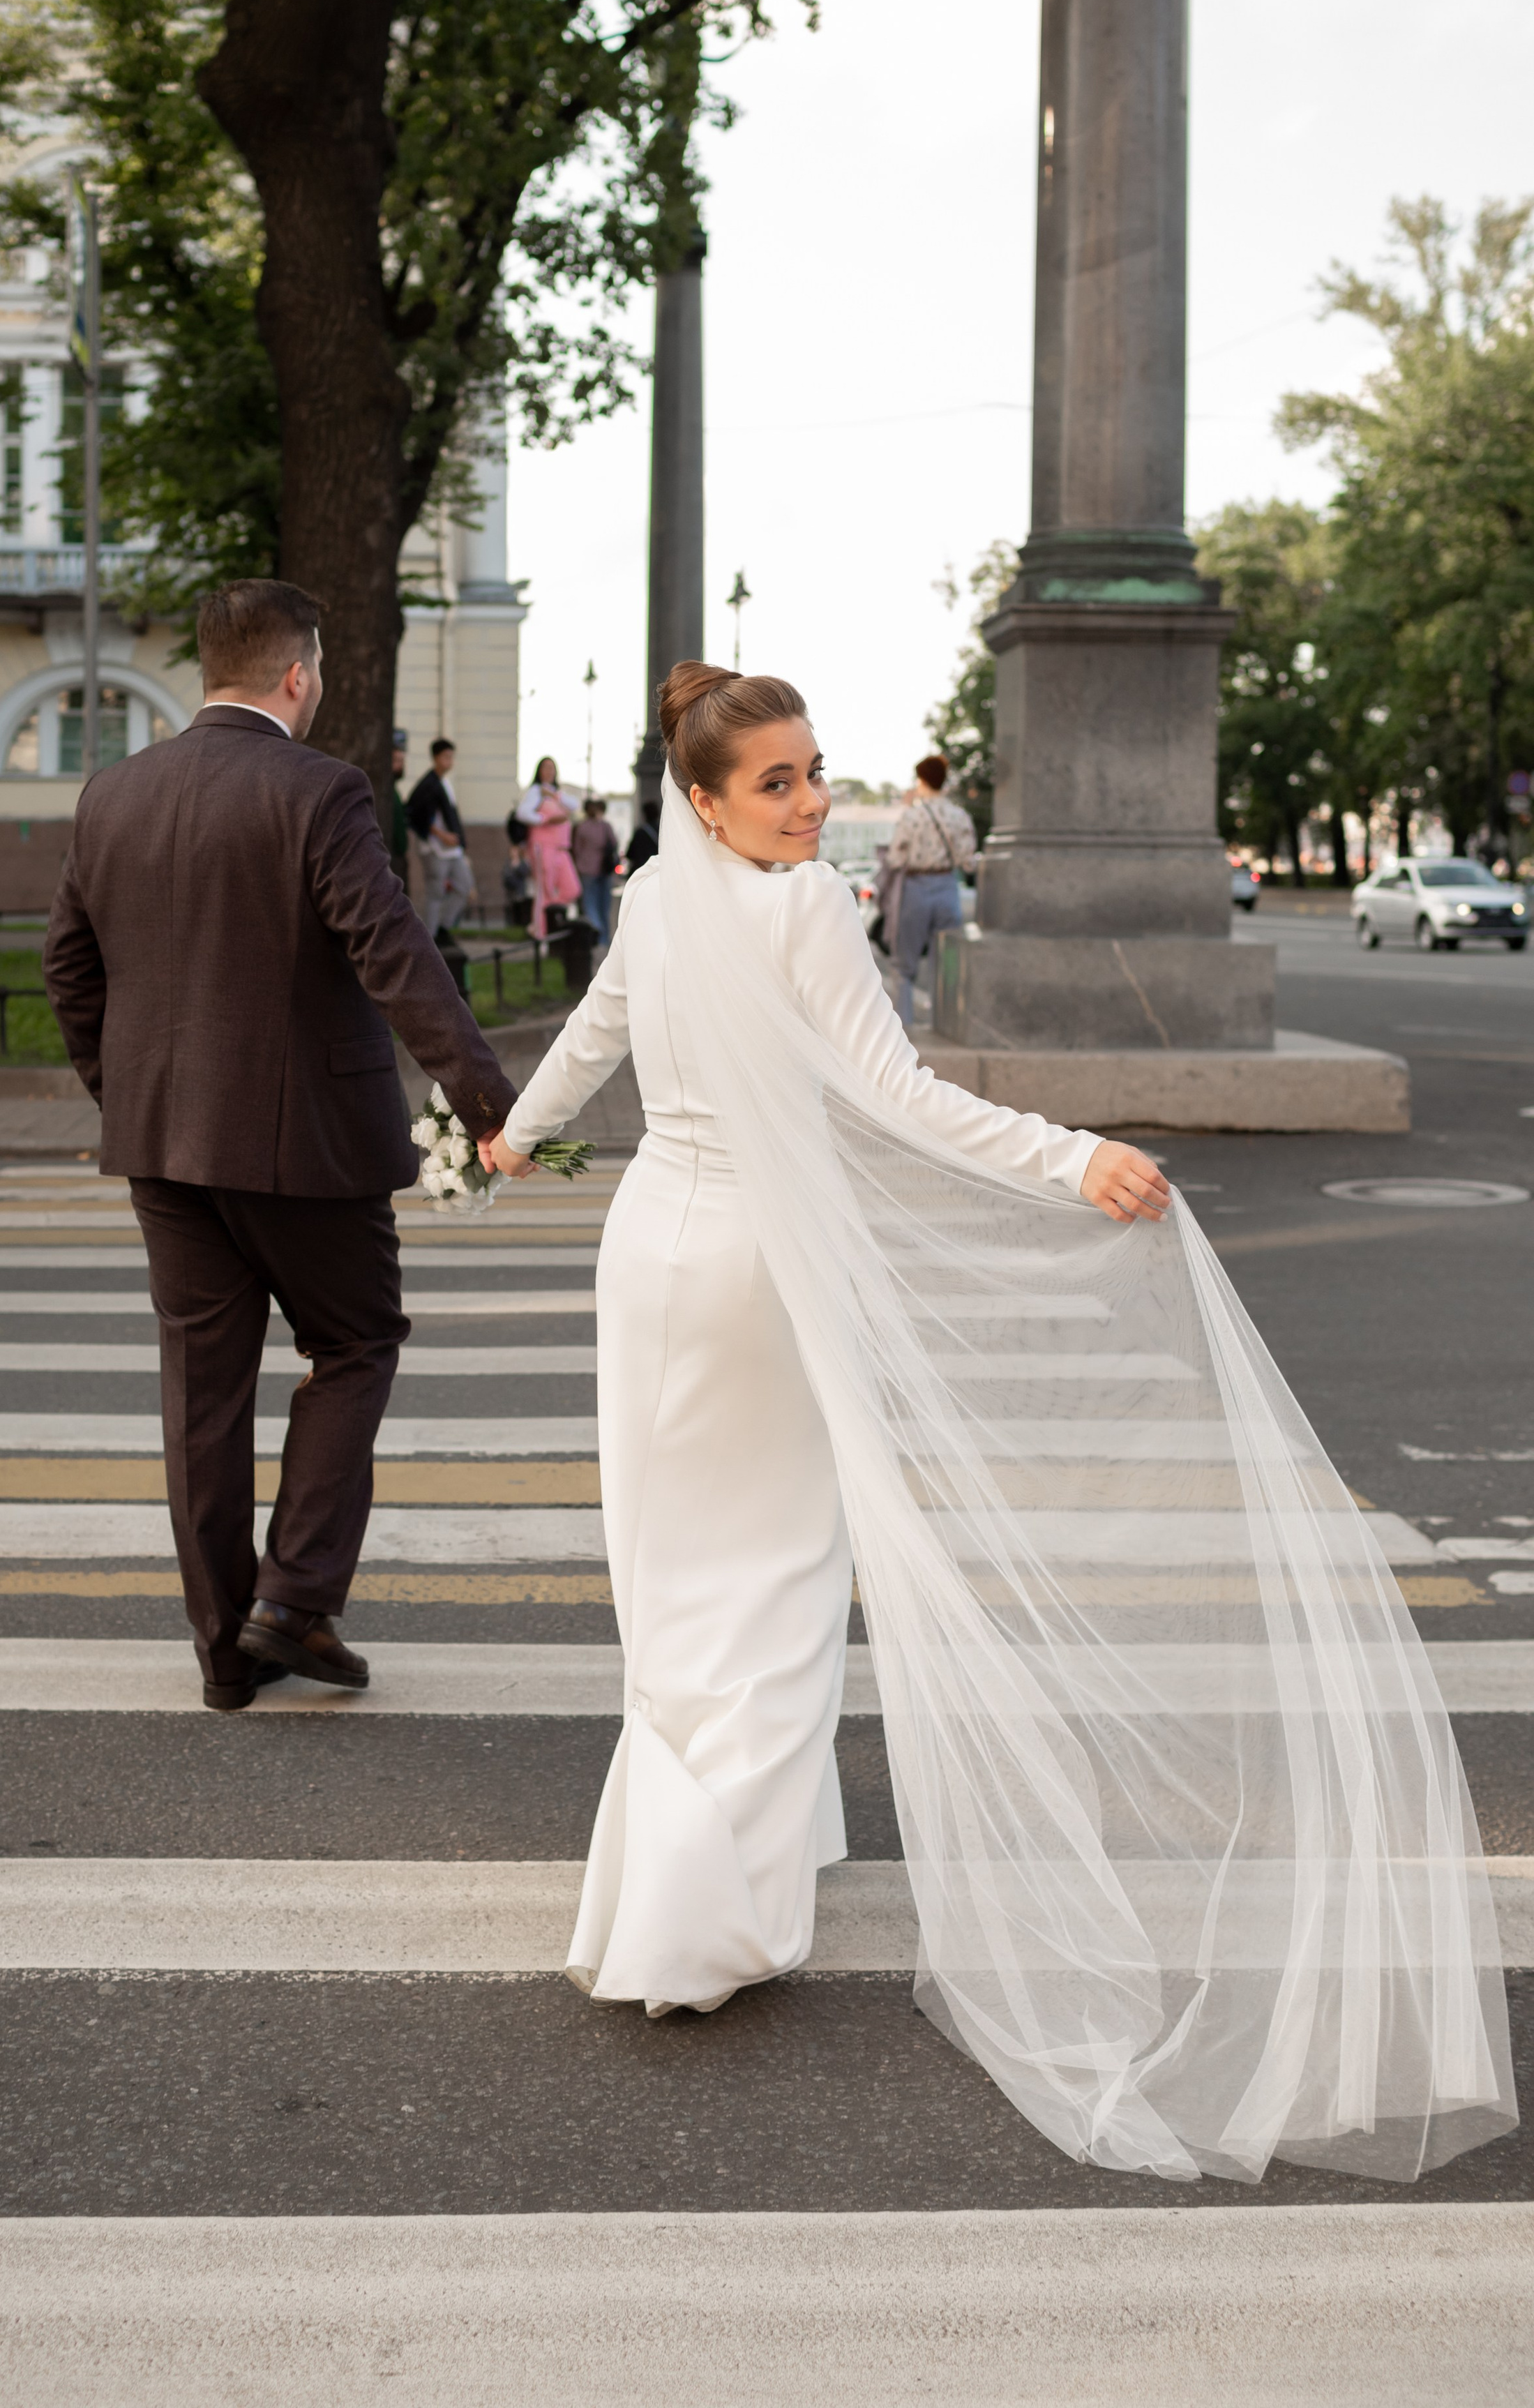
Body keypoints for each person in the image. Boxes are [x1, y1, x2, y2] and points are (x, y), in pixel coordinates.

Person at [475, 659, 1514, 2185]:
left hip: (649, 1255)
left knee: (673, 1570)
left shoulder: (650, 900)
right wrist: (1066, 1153)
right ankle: (708, 1924)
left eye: (814, 771)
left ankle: (677, 1889)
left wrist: (514, 1134)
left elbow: (587, 1049)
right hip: (759, 1268)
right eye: (776, 784)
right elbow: (899, 1097)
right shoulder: (805, 910)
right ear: (707, 800)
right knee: (766, 1578)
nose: (814, 801)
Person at [43, 579, 516, 1710]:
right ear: (297, 674)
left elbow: (69, 969)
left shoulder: (114, 791)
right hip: (309, 1144)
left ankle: (224, 1653)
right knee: (353, 1345)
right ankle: (294, 1602)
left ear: (213, 668)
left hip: (162, 1144)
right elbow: (391, 951)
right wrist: (490, 1105)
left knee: (203, 1395)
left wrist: (129, 1095)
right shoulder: (322, 791)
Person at [882, 751, 975, 1025]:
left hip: (916, 889)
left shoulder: (912, 817)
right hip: (947, 887)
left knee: (903, 964)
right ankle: (943, 1026)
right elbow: (967, 862)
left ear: (922, 780)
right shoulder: (960, 816)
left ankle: (904, 1031)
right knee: (945, 963)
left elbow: (896, 858)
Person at [405, 737, 476, 944]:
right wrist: (441, 835)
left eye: (451, 757)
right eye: (446, 757)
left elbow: (451, 814)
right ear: (436, 758)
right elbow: (417, 814)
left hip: (452, 850)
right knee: (435, 893)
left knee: (464, 886)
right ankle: (432, 938)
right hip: (435, 850)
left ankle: (444, 927)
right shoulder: (428, 784)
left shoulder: (445, 783)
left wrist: (458, 840)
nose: (450, 761)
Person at [517, 754, 582, 942]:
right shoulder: (535, 791)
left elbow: (575, 805)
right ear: (539, 771)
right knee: (542, 892)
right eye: (545, 768)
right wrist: (546, 820)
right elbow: (523, 813)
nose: (549, 771)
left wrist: (554, 794)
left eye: (552, 768)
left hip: (561, 849)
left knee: (572, 889)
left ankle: (548, 915)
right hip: (542, 847)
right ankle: (540, 934)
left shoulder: (555, 793)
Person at [572, 794, 619, 942]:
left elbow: (577, 850)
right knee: (604, 906)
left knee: (590, 903)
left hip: (587, 870)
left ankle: (597, 929)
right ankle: (603, 937)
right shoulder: (605, 826)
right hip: (604, 870)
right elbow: (614, 844)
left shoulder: (581, 827)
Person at [389, 730, 409, 891]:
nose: (401, 765)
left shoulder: (394, 792)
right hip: (393, 854)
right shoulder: (390, 795)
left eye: (402, 760)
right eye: (397, 760)